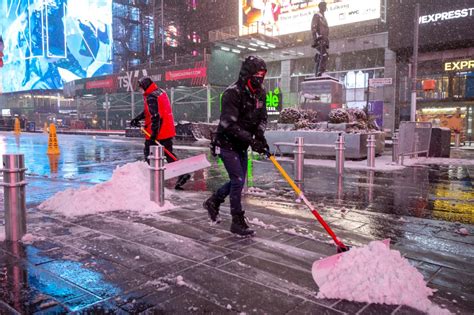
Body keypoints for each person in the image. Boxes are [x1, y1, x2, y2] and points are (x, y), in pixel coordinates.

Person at [203, 56, 269, 236]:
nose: (260, 78)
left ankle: (214, 201)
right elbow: (229, 124)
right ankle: (237, 221)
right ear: (247, 74)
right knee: (238, 180)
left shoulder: (260, 92)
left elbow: (262, 117)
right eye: (257, 74)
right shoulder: (233, 93)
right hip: (226, 142)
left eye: (262, 74)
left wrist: (260, 135)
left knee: (236, 181)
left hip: (241, 143)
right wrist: (251, 140)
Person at [130, 76, 191, 190]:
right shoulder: (159, 92)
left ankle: (152, 178)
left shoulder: (151, 97)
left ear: (145, 86)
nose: (140, 89)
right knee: (169, 154)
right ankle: (182, 173)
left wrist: (153, 135)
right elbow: (150, 111)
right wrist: (138, 118)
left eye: (140, 87)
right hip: (167, 129)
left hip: (159, 131)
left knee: (149, 153)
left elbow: (156, 116)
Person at [311, 1, 329, 77]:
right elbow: (313, 28)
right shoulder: (317, 15)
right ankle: (321, 72)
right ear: (320, 7)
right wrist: (316, 38)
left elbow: (326, 31)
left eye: (325, 6)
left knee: (320, 57)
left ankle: (318, 73)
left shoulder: (323, 18)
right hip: (319, 40)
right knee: (324, 55)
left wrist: (327, 41)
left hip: (324, 40)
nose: (325, 8)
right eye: (324, 6)